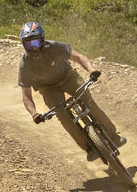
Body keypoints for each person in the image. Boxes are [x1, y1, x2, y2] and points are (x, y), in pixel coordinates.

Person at [17, 21, 126, 162]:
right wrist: (34, 114)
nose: (33, 48)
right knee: (63, 115)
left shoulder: (54, 46)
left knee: (89, 103)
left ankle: (113, 136)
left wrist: (92, 70)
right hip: (48, 89)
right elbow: (26, 96)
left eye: (36, 43)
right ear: (23, 45)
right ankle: (89, 148)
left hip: (68, 77)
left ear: (42, 40)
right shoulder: (25, 64)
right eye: (28, 44)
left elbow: (78, 57)